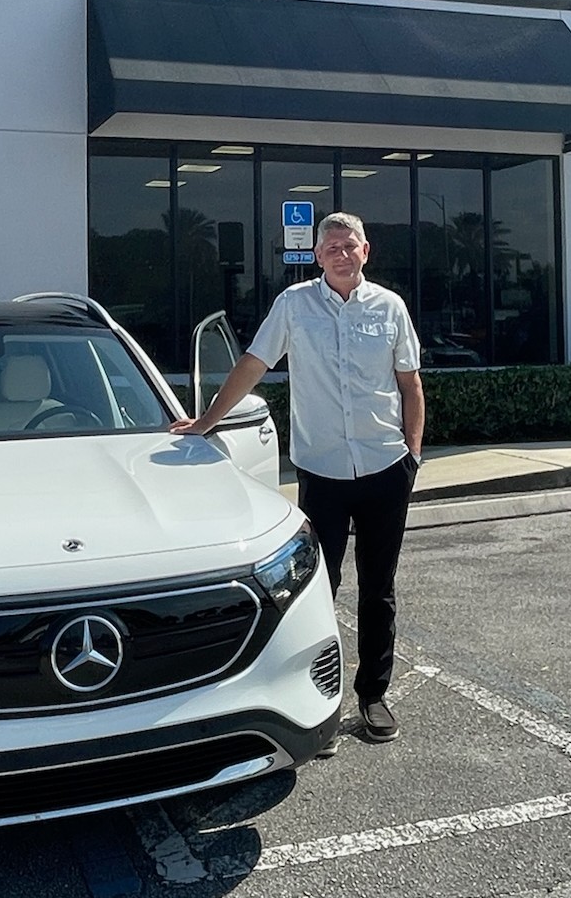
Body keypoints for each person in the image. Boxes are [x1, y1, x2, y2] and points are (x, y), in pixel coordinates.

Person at [171, 212, 424, 747]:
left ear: (365, 250)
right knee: (316, 589)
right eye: (330, 245)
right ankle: (320, 706)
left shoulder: (390, 308)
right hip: (324, 473)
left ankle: (372, 696)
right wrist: (206, 422)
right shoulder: (293, 306)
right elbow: (252, 365)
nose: (339, 252)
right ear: (316, 255)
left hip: (385, 467)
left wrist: (413, 458)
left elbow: (410, 386)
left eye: (348, 244)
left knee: (379, 590)